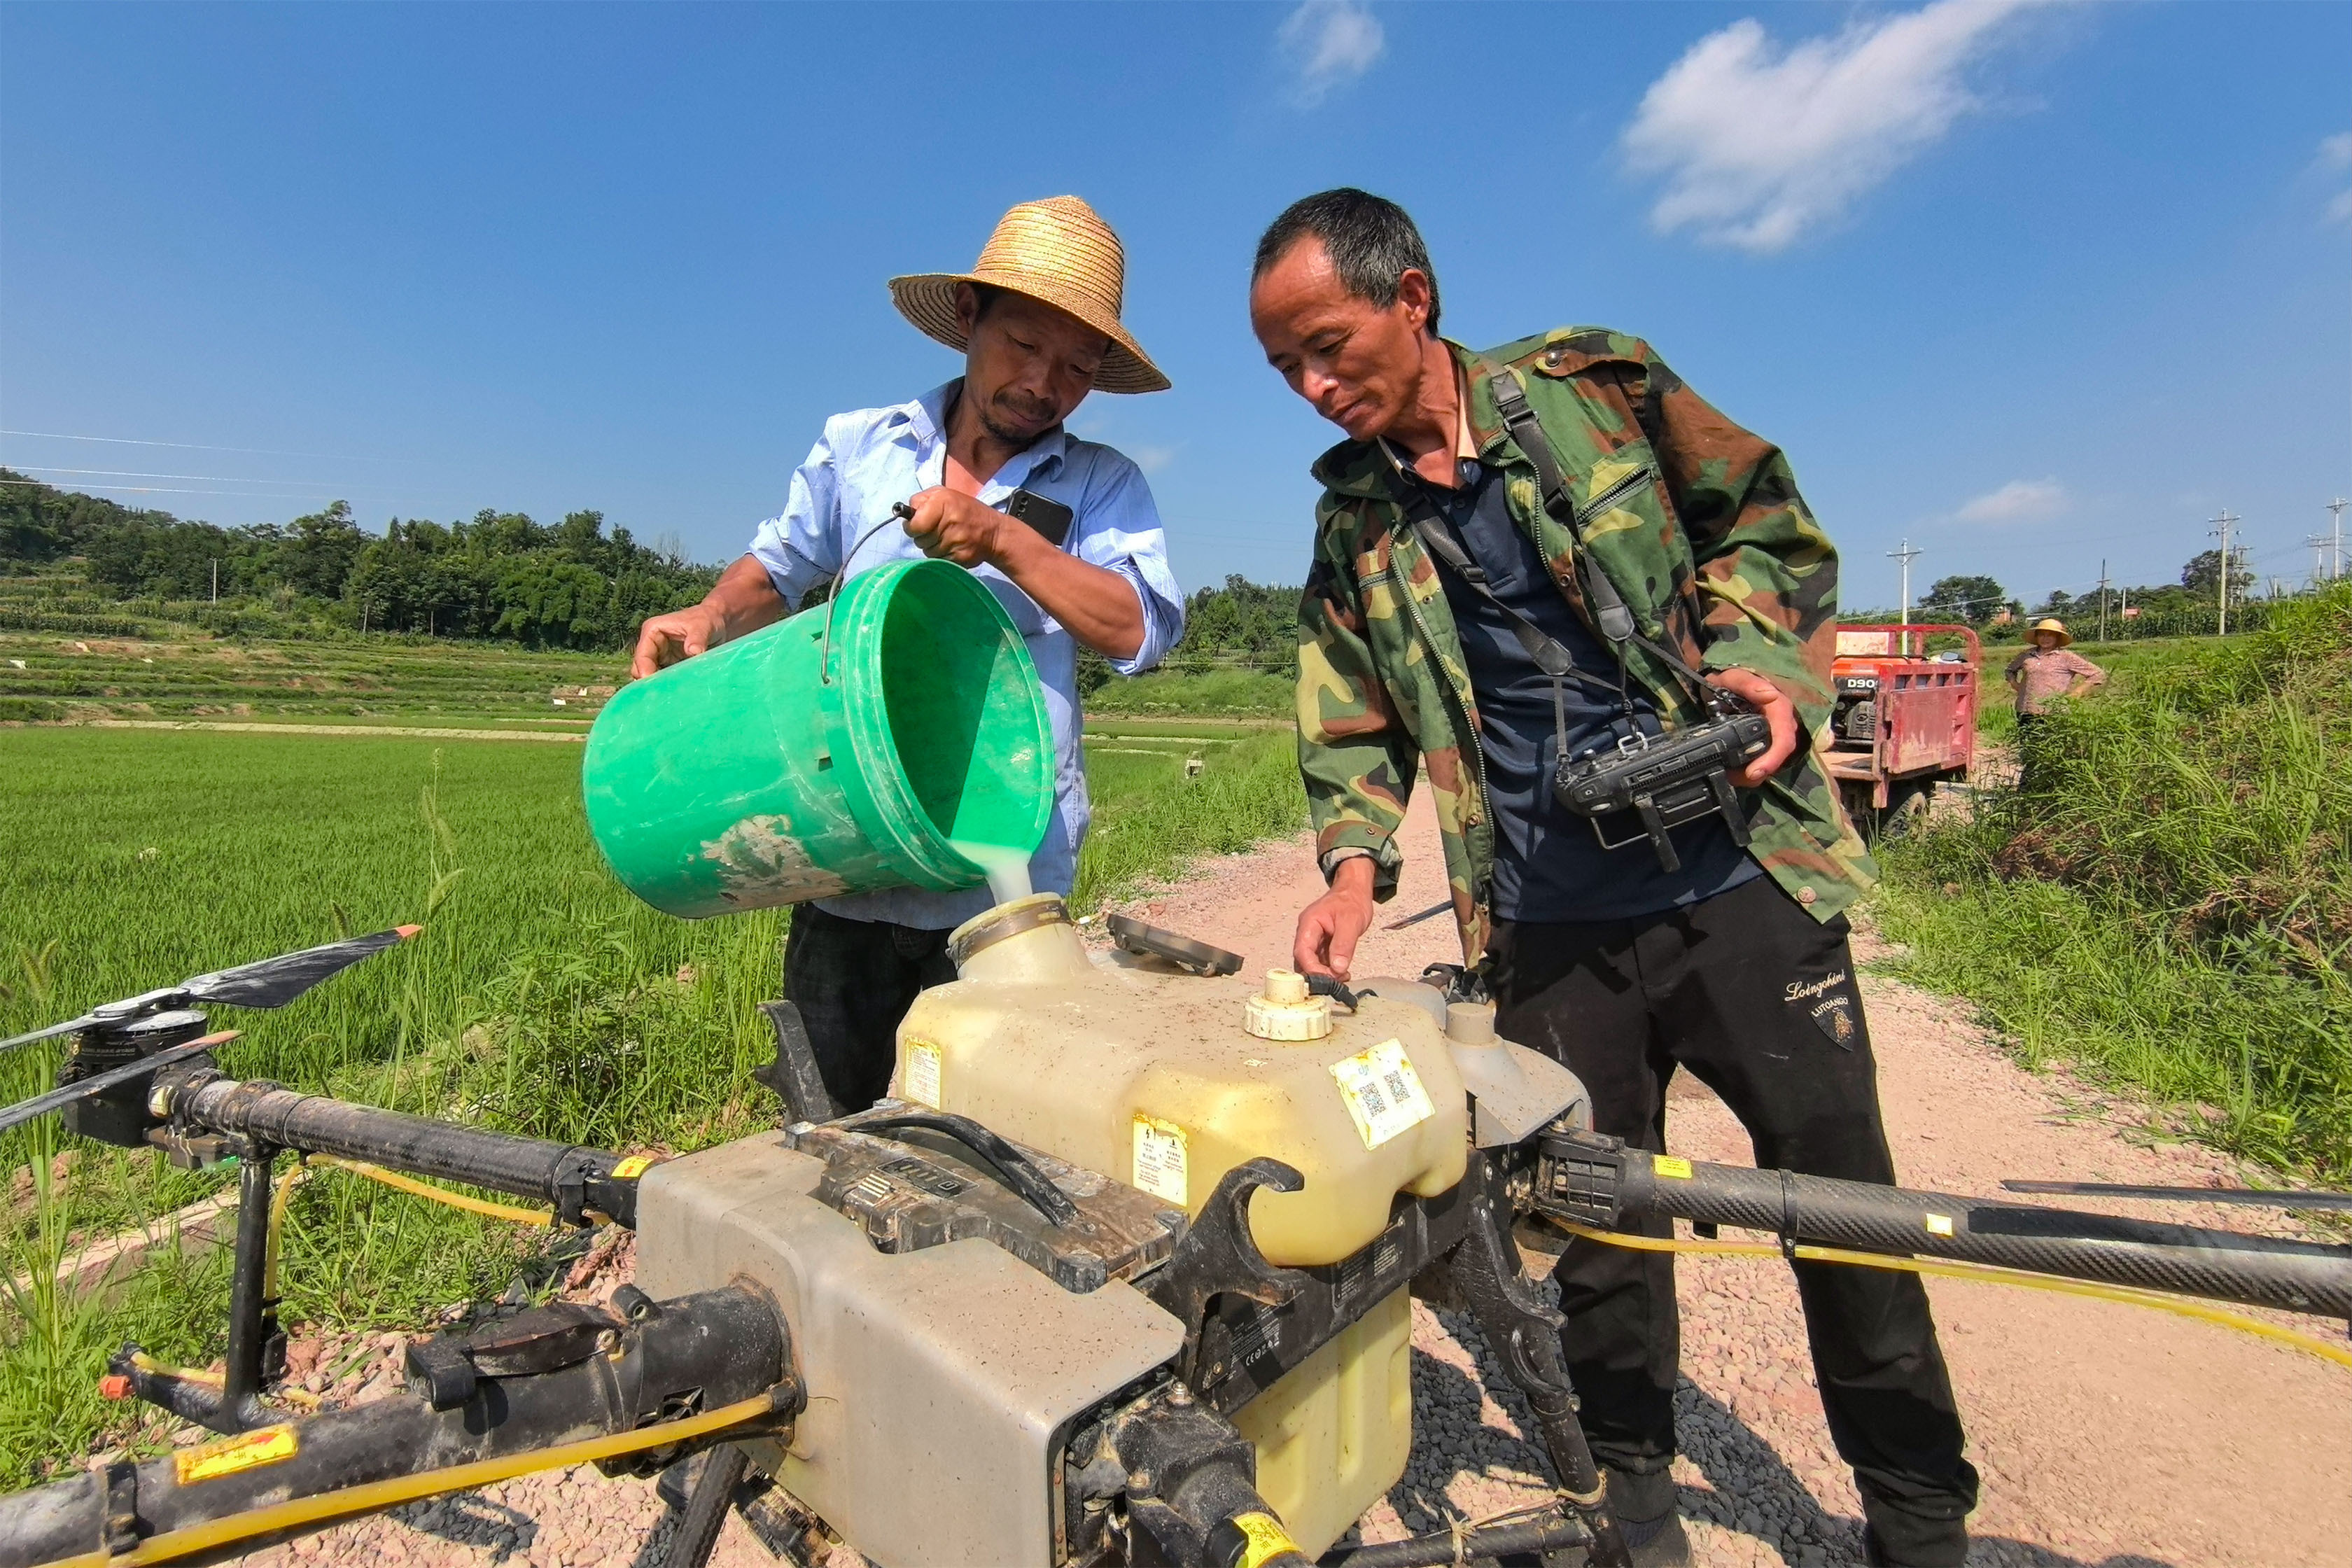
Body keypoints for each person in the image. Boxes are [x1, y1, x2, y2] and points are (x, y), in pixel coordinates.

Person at [1248, 189, 1975, 1568]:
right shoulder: (1352, 521)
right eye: (1284, 367)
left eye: (1328, 344)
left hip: (1740, 877)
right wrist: (1352, 869)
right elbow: (1348, 709)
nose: (1311, 385)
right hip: (1547, 917)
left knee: (1848, 1211)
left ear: (1413, 297)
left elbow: (1765, 524)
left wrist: (1764, 659)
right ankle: (1636, 1509)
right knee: (1600, 1235)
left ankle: (1919, 1518)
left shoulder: (1599, 390)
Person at [634, 196, 1184, 1113]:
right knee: (830, 1131)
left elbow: (1139, 627)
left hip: (1000, 891)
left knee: (992, 1139)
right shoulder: (861, 449)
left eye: (1076, 367)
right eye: (1023, 346)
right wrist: (710, 615)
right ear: (968, 320)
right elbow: (780, 565)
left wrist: (1007, 541)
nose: (1044, 383)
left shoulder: (1101, 486)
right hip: (850, 853)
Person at [2005, 617, 2106, 729]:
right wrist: (2015, 684)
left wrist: (2077, 692)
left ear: (2057, 638)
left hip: (2054, 712)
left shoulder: (2066, 657)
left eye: (2050, 635)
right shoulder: (2027, 655)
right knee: (2026, 744)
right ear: (2037, 637)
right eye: (2042, 635)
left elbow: (2097, 674)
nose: (2045, 638)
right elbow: (2010, 670)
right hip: (2025, 710)